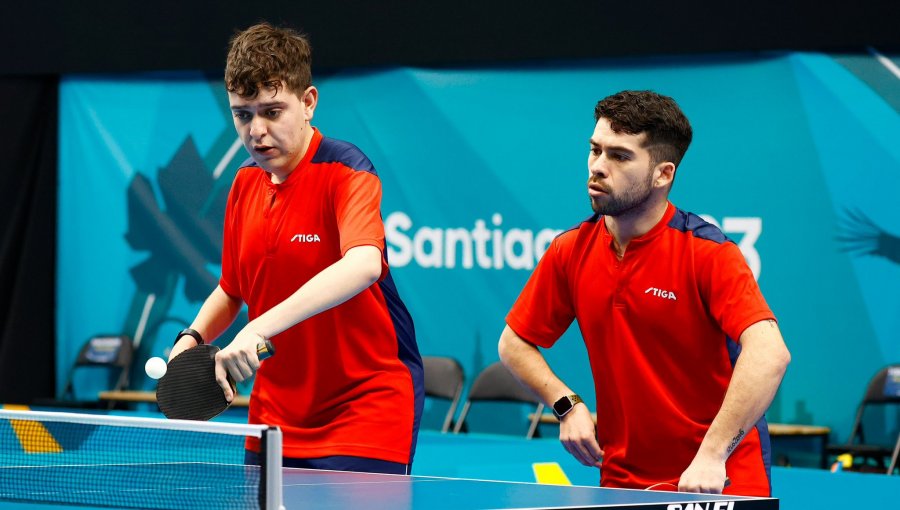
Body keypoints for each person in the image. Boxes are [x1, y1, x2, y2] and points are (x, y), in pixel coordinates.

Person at [498, 90, 790, 496]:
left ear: (663, 174)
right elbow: (514, 343)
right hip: (621, 480)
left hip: (716, 479)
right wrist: (565, 403)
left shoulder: (707, 253)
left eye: (620, 156)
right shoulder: (571, 250)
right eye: (595, 150)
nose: (598, 167)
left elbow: (770, 354)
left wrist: (712, 453)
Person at [169, 22, 423, 475]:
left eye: (271, 111)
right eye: (242, 114)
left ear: (308, 103)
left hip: (366, 406)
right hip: (275, 416)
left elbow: (364, 264)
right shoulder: (245, 182)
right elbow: (231, 290)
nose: (256, 131)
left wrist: (256, 329)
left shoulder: (346, 170)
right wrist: (191, 337)